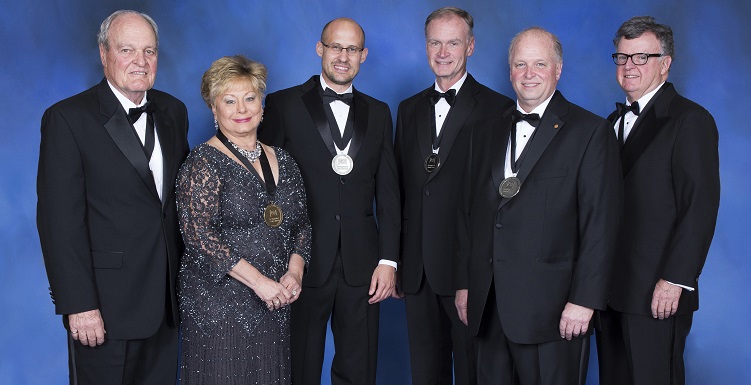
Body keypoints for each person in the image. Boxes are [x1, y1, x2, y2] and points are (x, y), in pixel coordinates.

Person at [462, 27, 622, 384]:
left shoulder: (590, 132)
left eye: (539, 64)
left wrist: (585, 300)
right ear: (510, 71)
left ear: (558, 69)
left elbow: (601, 225)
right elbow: (471, 215)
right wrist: (466, 285)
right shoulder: (483, 132)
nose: (529, 74)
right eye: (520, 64)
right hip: (488, 307)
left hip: (554, 312)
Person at [36, 10, 189, 384]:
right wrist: (79, 305)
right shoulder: (67, 119)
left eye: (149, 51)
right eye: (127, 49)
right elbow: (59, 222)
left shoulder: (174, 111)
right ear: (104, 54)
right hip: (104, 307)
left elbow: (176, 207)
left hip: (167, 303)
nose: (140, 61)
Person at [258, 17, 400, 385]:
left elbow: (388, 192)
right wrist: (277, 259)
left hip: (363, 266)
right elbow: (266, 189)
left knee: (359, 369)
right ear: (319, 48)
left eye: (352, 49)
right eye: (335, 46)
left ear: (363, 56)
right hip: (300, 264)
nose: (343, 56)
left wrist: (388, 260)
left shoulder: (380, 112)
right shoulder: (282, 104)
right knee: (300, 368)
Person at [595, 16, 720, 385]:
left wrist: (676, 280)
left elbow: (700, 205)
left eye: (641, 57)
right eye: (622, 57)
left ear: (665, 64)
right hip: (608, 290)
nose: (629, 66)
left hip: (657, 292)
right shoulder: (608, 124)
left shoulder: (690, 120)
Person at [394, 7, 513, 385]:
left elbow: (499, 202)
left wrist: (476, 273)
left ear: (471, 46)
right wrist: (396, 261)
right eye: (434, 42)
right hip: (416, 271)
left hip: (470, 270)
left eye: (453, 42)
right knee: (425, 374)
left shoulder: (499, 109)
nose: (442, 52)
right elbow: (401, 191)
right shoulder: (408, 108)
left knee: (473, 372)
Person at [176, 55, 311, 384]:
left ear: (262, 105)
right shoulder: (201, 162)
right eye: (230, 100)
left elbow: (301, 227)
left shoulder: (284, 158)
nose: (242, 109)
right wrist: (260, 283)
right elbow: (199, 239)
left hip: (274, 302)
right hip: (219, 306)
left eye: (250, 98)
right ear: (214, 108)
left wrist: (294, 273)